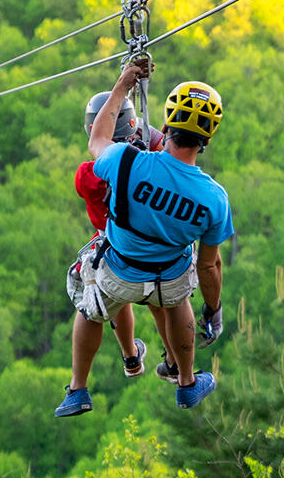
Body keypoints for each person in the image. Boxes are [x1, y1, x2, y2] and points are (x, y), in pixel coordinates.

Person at [55, 56, 233, 416]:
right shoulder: (214, 198)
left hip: (120, 275)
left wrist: (123, 85)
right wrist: (213, 310)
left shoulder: (126, 161)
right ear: (208, 138)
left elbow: (98, 140)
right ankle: (185, 382)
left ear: (166, 125)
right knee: (178, 299)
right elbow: (209, 265)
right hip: (168, 280)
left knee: (90, 308)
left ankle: (78, 390)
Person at [65, 92, 164, 379]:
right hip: (146, 244)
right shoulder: (146, 163)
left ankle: (130, 356)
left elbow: (105, 153)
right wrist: (140, 128)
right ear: (130, 126)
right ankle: (173, 359)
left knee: (115, 295)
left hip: (111, 248)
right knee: (160, 299)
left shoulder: (86, 175)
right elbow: (164, 147)